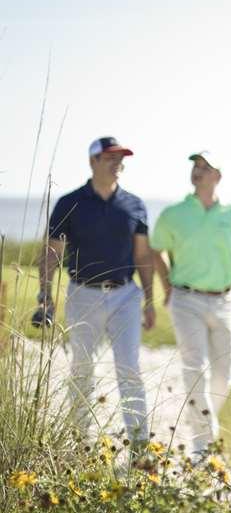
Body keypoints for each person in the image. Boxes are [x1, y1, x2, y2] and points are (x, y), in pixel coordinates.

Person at [150, 151, 231, 458]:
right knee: (195, 368)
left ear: (218, 175)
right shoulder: (173, 213)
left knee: (224, 375)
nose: (197, 171)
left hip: (225, 301)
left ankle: (202, 425)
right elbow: (157, 250)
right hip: (185, 299)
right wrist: (167, 286)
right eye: (195, 166)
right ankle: (205, 445)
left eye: (204, 167)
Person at [38, 136, 155, 448]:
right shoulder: (70, 202)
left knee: (129, 367)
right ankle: (79, 442)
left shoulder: (135, 205)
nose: (118, 163)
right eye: (110, 158)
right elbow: (52, 253)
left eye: (121, 158)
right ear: (93, 162)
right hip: (83, 294)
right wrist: (45, 296)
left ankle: (140, 447)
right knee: (82, 369)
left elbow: (143, 255)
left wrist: (151, 301)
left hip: (126, 296)